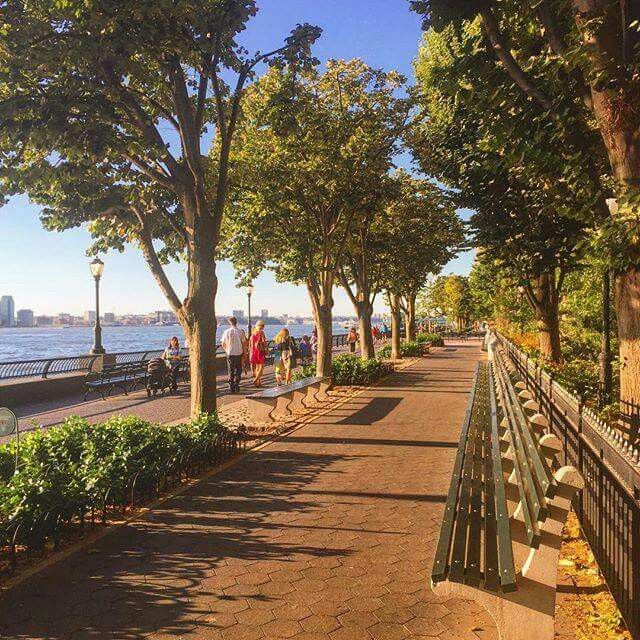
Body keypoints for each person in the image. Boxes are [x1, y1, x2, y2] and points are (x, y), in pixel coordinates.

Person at [221, 316, 245, 393]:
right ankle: (236, 384)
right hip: (239, 353)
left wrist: (226, 350)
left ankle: (231, 386)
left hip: (230, 353)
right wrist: (245, 353)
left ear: (229, 322)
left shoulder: (226, 332)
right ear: (236, 322)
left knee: (230, 370)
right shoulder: (240, 331)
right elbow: (244, 343)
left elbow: (223, 343)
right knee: (239, 370)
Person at [249, 320, 268, 387]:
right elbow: (264, 342)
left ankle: (258, 383)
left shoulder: (253, 332)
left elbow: (250, 344)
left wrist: (250, 352)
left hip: (253, 351)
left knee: (257, 367)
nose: (263, 327)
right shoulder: (261, 332)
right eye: (263, 325)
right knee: (261, 367)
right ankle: (255, 379)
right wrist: (266, 348)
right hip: (260, 351)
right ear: (261, 326)